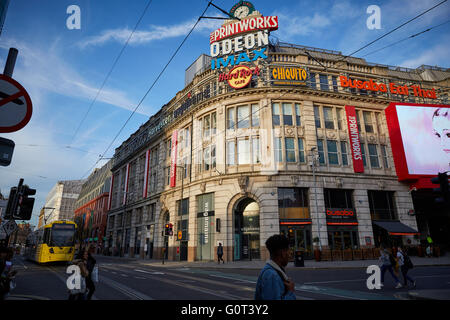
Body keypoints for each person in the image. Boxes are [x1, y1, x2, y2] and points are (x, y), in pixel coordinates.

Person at [255, 234, 296, 300]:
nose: (290, 255)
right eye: (288, 250)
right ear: (283, 253)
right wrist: (290, 292)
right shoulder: (272, 275)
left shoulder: (273, 271)